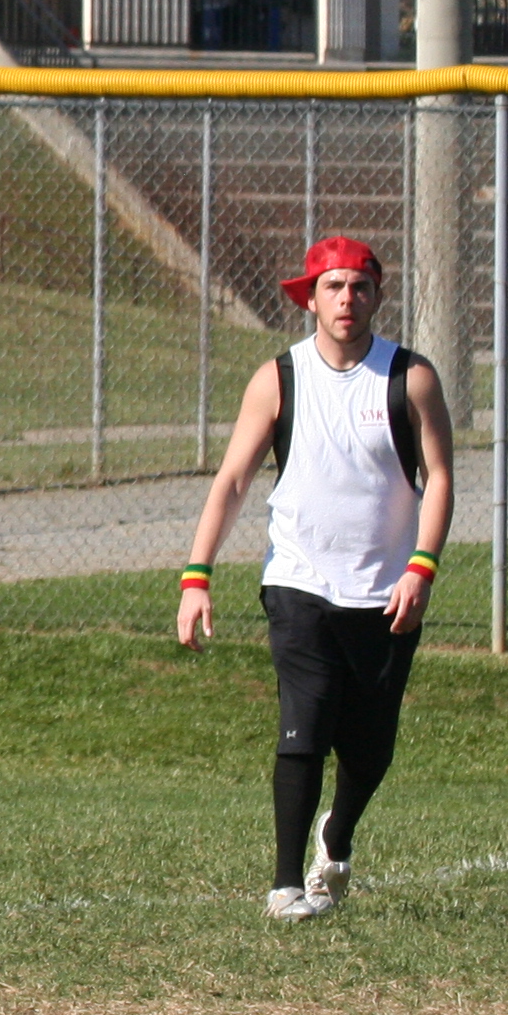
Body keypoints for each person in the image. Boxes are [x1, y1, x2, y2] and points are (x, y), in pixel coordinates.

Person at [177, 235, 456, 918]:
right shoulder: (280, 378)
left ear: (377, 296)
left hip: (386, 592)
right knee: (303, 725)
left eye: (360, 287)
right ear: (310, 298)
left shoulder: (410, 377)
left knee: (370, 747)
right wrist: (196, 575)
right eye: (333, 287)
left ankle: (337, 835)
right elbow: (233, 480)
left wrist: (421, 568)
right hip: (299, 583)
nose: (346, 299)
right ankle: (284, 887)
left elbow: (441, 478)